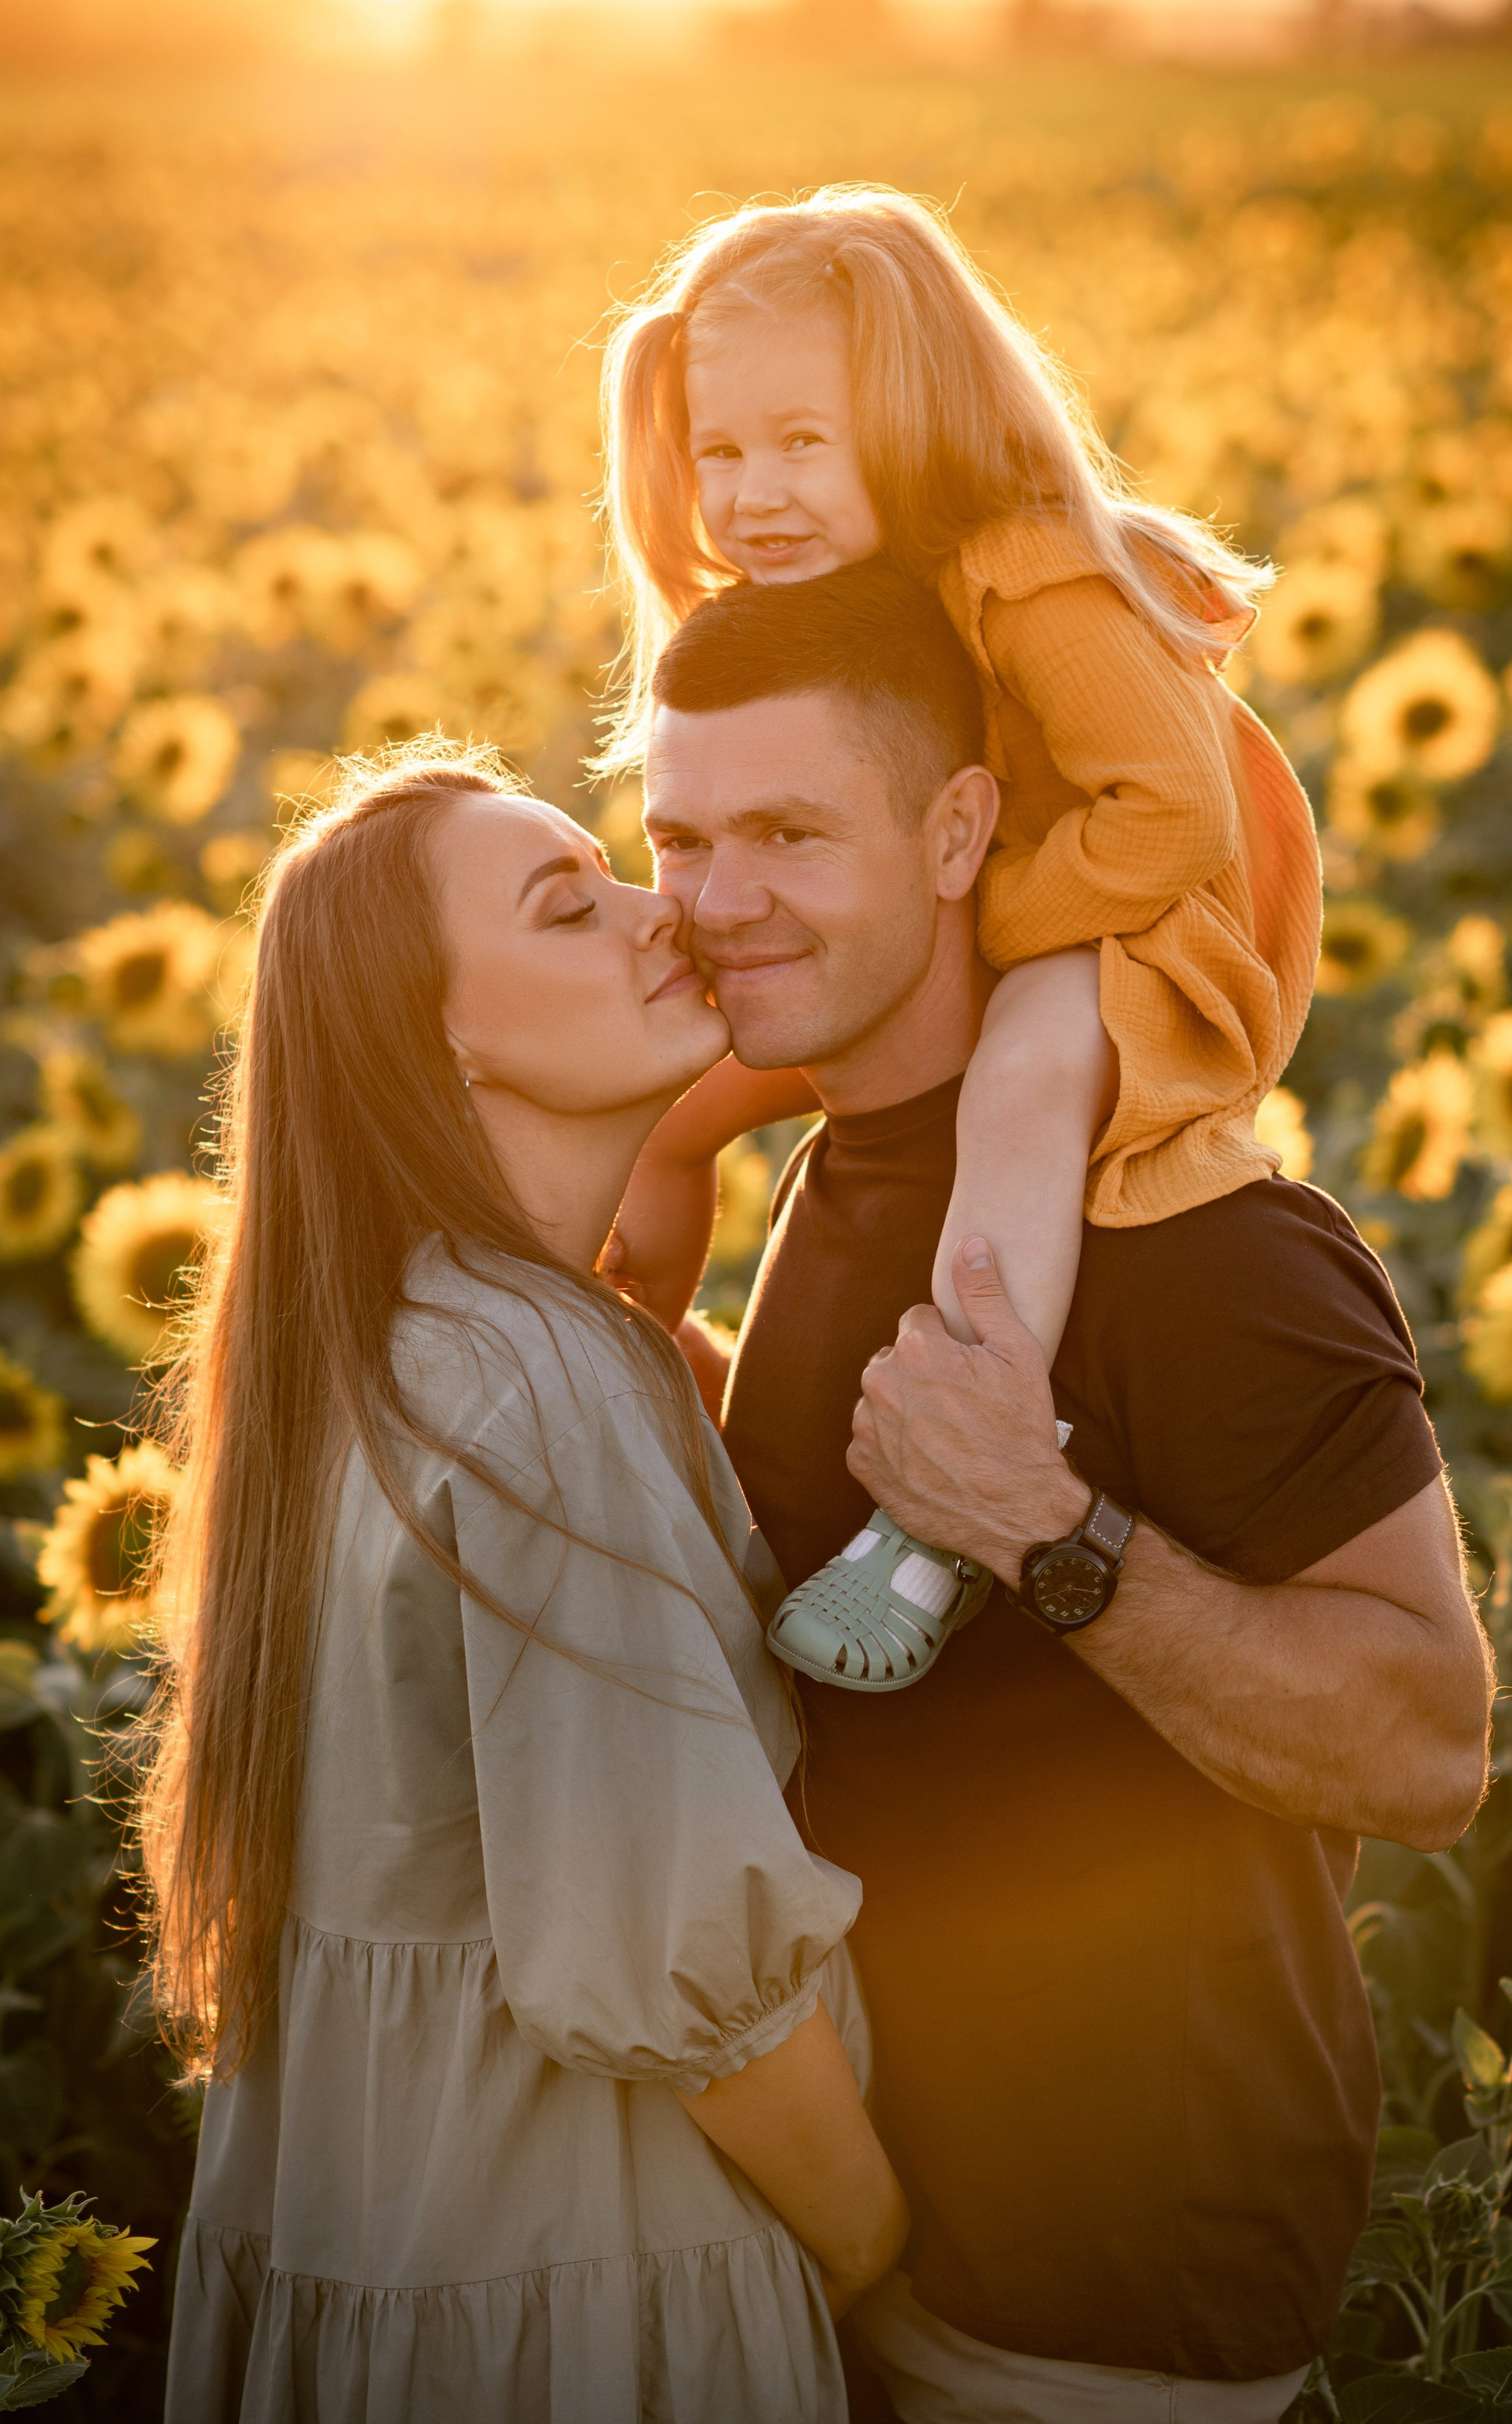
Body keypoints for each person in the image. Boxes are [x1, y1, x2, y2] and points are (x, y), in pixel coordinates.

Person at [638, 564, 1495, 2424]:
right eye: (680, 835)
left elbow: (1428, 1749)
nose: (718, 900)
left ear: (962, 830)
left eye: (790, 829)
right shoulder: (846, 1159)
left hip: (1111, 2293)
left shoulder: (1196, 1241)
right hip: (860, 2228)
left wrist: (1051, 1536)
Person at [143, 745, 908, 2423]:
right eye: (575, 907)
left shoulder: (377, 1351)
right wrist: (874, 2250)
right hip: (596, 2298)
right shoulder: (542, 1388)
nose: (672, 915)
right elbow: (688, 1961)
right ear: (441, 1040)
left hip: (392, 2275)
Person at [598, 182, 1322, 1686]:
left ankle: (935, 1513)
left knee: (1016, 1084)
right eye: (719, 451)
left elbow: (1171, 823)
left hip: (1133, 928)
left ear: (911, 411)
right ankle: (603, 1369)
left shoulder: (1029, 571)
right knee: (668, 1118)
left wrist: (979, 924)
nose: (753, 491)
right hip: (983, 904)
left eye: (803, 440)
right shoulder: (857, 594)